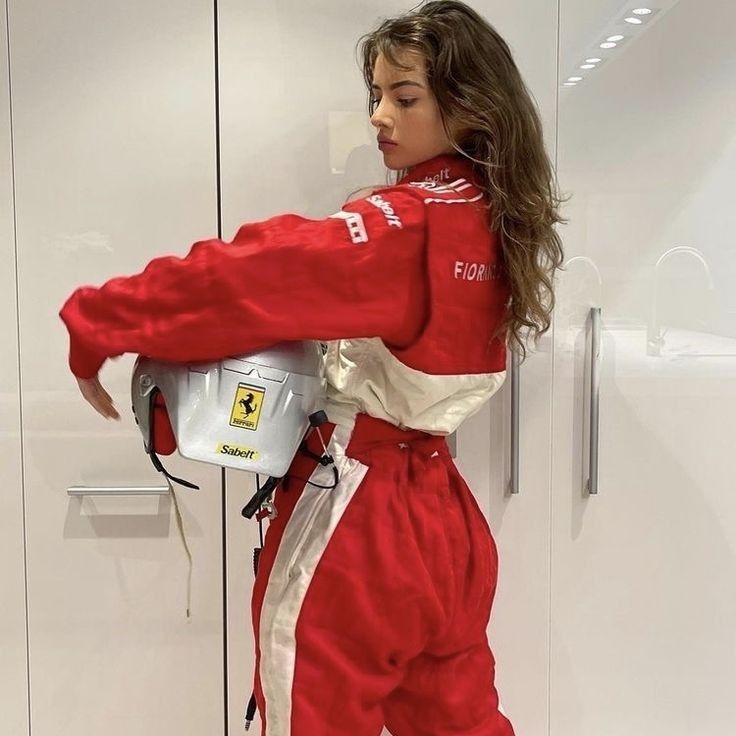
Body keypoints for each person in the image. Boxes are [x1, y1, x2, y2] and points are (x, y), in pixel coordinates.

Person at [59, 1, 566, 733]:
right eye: (375, 95)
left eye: (404, 96)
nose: (379, 117)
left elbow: (241, 278)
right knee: (462, 719)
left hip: (359, 520)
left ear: (471, 102)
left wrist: (95, 322)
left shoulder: (406, 224)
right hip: (445, 525)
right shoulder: (501, 215)